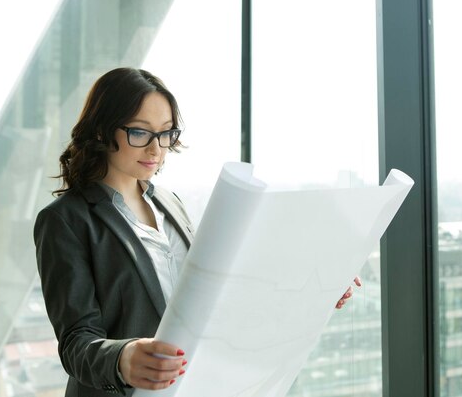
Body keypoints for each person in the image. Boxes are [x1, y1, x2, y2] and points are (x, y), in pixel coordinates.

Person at [33, 67, 359, 396]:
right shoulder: (65, 221)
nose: (156, 149)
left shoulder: (168, 203)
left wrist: (315, 287)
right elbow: (76, 342)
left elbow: (213, 298)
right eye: (140, 133)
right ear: (103, 131)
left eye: (166, 134)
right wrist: (122, 358)